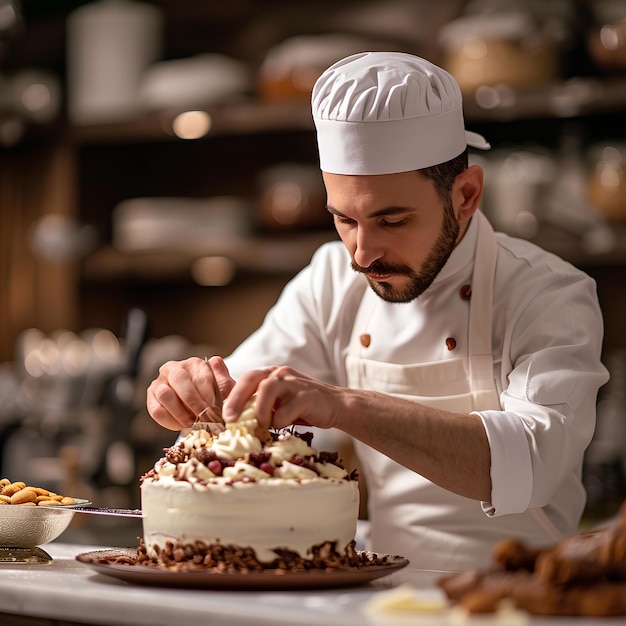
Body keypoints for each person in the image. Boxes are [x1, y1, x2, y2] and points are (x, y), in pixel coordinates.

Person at [146, 51, 609, 571]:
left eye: (392, 220)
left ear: (466, 195)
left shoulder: (547, 294)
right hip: (382, 591)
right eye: (344, 219)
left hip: (521, 595)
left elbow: (530, 463)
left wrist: (342, 406)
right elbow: (239, 399)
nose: (361, 254)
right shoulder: (330, 280)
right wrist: (194, 391)